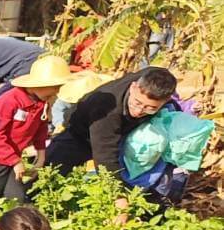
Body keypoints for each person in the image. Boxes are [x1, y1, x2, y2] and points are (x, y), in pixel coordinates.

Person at [44, 66, 176, 184]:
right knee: (49, 176)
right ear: (133, 87)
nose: (139, 111)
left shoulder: (157, 79)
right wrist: (117, 195)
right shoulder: (105, 110)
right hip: (79, 134)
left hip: (121, 134)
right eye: (137, 103)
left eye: (150, 108)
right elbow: (105, 157)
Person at [0, 55, 71, 202]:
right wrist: (16, 162)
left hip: (11, 159)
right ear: (40, 84)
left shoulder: (41, 102)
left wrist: (41, 156)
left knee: (18, 201)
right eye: (55, 87)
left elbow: (40, 128)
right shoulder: (8, 101)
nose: (56, 92)